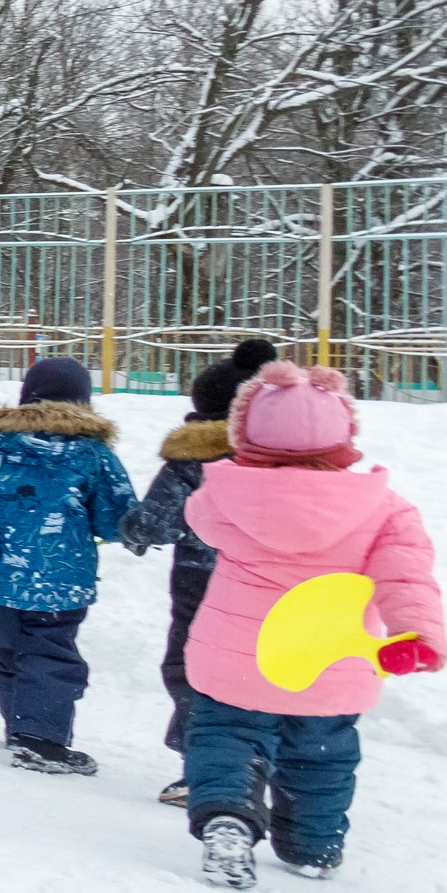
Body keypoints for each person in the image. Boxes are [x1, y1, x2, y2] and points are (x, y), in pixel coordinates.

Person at [174, 361, 445, 886]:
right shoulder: (386, 509)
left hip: (239, 659)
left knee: (226, 737)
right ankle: (313, 845)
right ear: (344, 435)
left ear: (245, 433)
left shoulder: (222, 497)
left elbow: (197, 521)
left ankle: (228, 813)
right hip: (331, 661)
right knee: (322, 756)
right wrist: (417, 635)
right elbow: (407, 577)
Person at [0, 355, 138, 774]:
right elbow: (116, 516)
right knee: (51, 651)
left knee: (6, 647)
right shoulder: (91, 453)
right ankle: (41, 738)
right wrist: (135, 533)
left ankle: (20, 725)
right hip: (60, 577)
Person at [120, 338, 278, 806]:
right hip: (272, 584)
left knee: (193, 670)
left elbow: (156, 521)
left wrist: (132, 532)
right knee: (262, 671)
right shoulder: (282, 458)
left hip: (202, 581)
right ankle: (260, 761)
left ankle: (205, 768)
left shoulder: (193, 461)